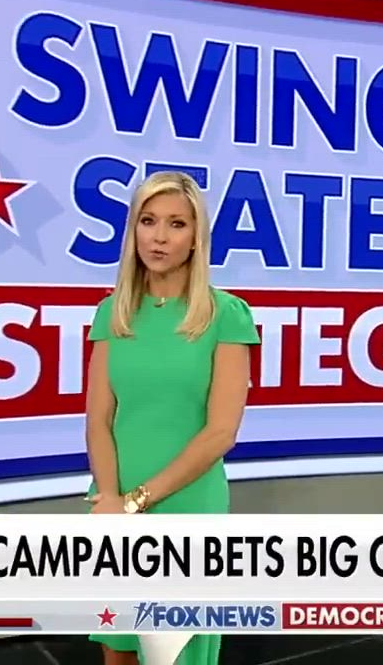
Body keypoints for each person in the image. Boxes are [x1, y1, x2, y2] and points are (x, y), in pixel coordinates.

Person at [84, 170, 260, 665]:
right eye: (148, 221)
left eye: (176, 224)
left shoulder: (226, 315)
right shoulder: (113, 313)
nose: (159, 237)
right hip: (114, 505)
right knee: (117, 651)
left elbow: (221, 432)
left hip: (185, 506)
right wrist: (112, 499)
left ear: (196, 238)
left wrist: (137, 502)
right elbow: (98, 420)